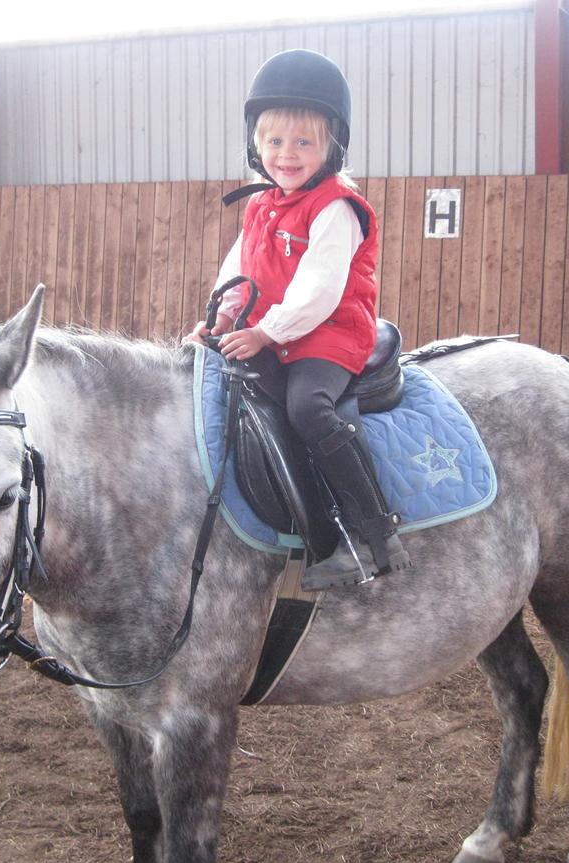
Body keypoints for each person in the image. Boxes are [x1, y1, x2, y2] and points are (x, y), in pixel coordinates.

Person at [186, 48, 410, 590]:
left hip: (328, 335)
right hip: (274, 330)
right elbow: (238, 269)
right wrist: (219, 318)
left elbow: (319, 291)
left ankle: (370, 532)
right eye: (275, 142)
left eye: (303, 142)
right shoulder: (262, 204)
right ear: (256, 145)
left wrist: (265, 332)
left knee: (307, 408)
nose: (286, 154)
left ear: (331, 146)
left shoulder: (336, 208)